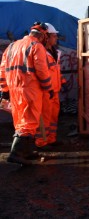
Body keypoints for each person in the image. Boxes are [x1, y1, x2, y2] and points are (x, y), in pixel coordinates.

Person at [0, 22, 53, 164]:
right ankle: (16, 154)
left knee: (20, 122)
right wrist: (49, 88)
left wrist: (4, 90)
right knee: (29, 122)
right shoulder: (37, 47)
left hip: (14, 90)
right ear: (43, 35)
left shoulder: (11, 47)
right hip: (29, 90)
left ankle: (27, 152)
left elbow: (2, 69)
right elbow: (42, 71)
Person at [35, 23, 65, 149]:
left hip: (55, 90)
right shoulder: (40, 52)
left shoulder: (54, 52)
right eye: (54, 36)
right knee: (45, 117)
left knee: (53, 117)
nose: (56, 38)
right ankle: (41, 142)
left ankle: (51, 139)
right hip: (46, 91)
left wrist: (61, 81)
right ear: (46, 37)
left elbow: (55, 70)